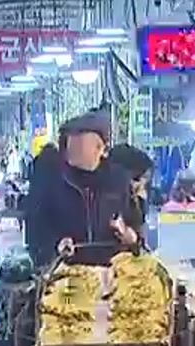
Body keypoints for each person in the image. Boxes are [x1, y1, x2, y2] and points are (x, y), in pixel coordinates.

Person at [23, 109, 136, 268]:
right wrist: (56, 245)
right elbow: (35, 232)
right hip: (67, 277)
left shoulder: (119, 180)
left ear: (102, 149)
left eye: (88, 146)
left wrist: (129, 235)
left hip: (112, 275)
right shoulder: (51, 181)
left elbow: (135, 226)